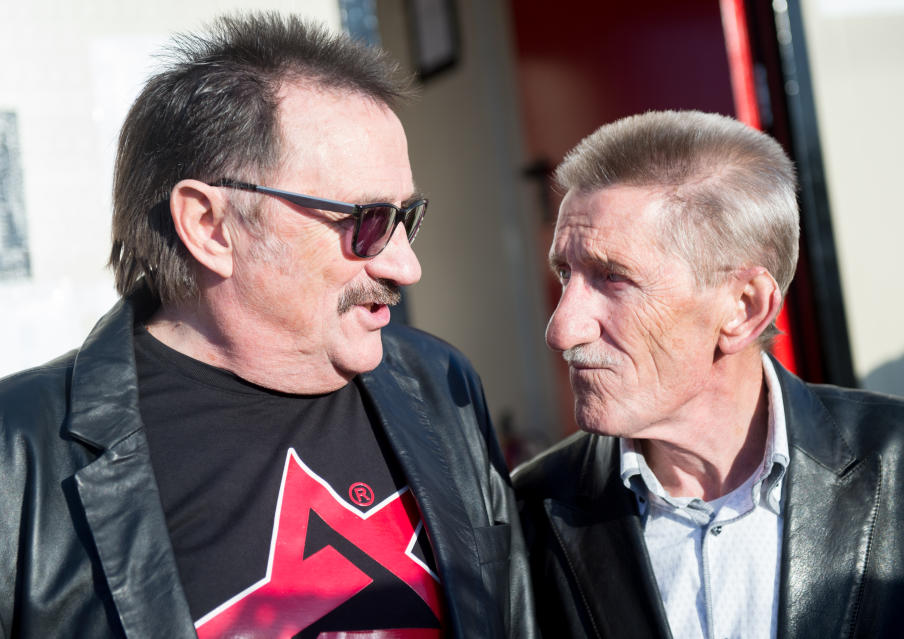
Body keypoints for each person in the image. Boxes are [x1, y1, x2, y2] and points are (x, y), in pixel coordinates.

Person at [0, 13, 534, 639]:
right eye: (365, 221)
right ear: (209, 226)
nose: (405, 265)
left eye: (405, 217)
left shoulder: (440, 382)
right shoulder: (21, 457)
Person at [512, 110, 904, 639]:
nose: (562, 328)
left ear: (745, 308)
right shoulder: (528, 516)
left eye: (613, 278)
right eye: (566, 273)